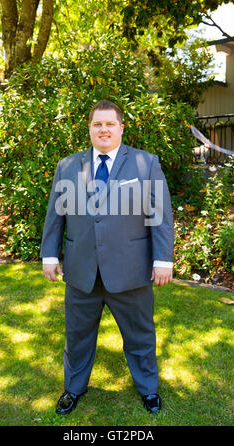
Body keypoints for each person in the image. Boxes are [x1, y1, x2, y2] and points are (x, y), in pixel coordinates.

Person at [40, 99, 174, 414]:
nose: (103, 129)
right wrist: (49, 253)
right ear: (89, 128)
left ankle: (148, 389)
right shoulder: (67, 166)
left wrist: (163, 260)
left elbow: (160, 215)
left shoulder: (146, 163)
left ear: (121, 128)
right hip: (81, 270)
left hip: (131, 270)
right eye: (97, 124)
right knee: (77, 337)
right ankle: (73, 388)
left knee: (140, 336)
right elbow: (55, 215)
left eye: (110, 124)